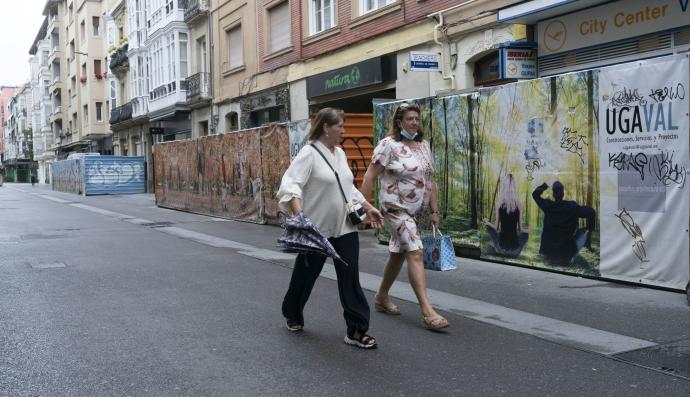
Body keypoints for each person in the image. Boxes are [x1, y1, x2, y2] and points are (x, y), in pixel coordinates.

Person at [277, 107, 384, 349]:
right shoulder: (308, 154)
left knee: (350, 278)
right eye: (340, 127)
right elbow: (291, 185)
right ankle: (292, 313)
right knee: (305, 275)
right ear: (326, 127)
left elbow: (347, 188)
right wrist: (300, 216)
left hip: (344, 227)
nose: (344, 131)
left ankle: (356, 330)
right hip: (316, 231)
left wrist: (368, 206)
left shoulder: (340, 153)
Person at [360, 103, 449, 331]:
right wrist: (363, 208)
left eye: (416, 119)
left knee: (398, 254)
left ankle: (381, 297)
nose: (414, 123)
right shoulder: (388, 146)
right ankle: (427, 311)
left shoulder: (424, 146)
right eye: (409, 119)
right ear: (399, 123)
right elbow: (370, 177)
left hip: (417, 211)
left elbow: (430, 180)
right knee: (415, 252)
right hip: (395, 207)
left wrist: (434, 210)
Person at [532, 181, 596, 264]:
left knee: (545, 230)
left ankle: (546, 255)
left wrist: (546, 184)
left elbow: (535, 195)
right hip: (566, 255)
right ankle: (569, 257)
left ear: (553, 195)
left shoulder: (548, 205)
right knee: (582, 231)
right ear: (563, 194)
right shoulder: (572, 206)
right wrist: (589, 228)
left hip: (548, 253)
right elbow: (591, 212)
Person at [485, 173, 528, 257]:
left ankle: (497, 249)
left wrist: (487, 222)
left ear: (504, 187)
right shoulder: (519, 205)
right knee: (525, 235)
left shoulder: (499, 204)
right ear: (514, 187)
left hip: (502, 248)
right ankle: (513, 251)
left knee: (489, 227)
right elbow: (520, 229)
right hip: (515, 251)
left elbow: (496, 227)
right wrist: (529, 231)